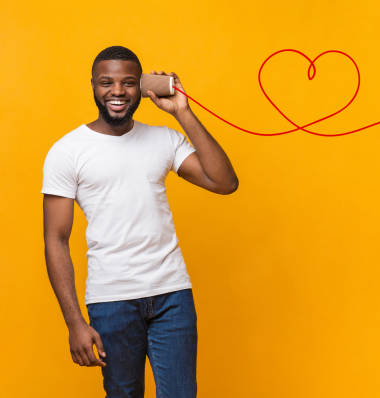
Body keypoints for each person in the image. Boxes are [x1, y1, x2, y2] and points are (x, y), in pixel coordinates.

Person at [42, 46, 238, 397]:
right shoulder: (67, 150)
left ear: (142, 88)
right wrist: (74, 323)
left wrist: (183, 113)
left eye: (128, 83)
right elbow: (55, 239)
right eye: (107, 82)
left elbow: (225, 183)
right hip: (111, 299)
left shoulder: (164, 139)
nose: (117, 91)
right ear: (92, 86)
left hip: (172, 294)